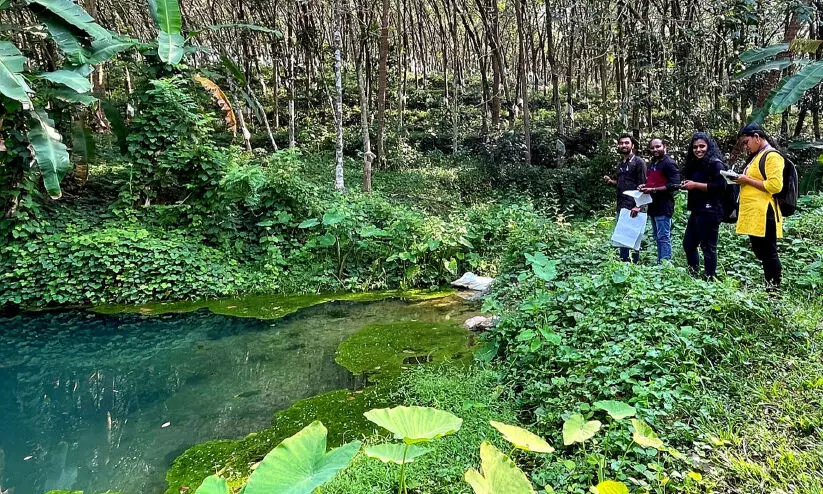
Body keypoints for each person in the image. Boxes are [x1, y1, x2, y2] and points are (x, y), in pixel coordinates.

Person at [733, 123, 784, 291]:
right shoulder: (757, 156)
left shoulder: (772, 156)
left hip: (765, 213)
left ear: (757, 137)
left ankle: (774, 292)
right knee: (761, 253)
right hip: (754, 213)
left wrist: (746, 180)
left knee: (769, 253)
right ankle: (769, 286)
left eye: (746, 142)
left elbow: (775, 186)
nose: (745, 147)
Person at [681, 132, 726, 280]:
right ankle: (693, 274)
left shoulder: (715, 163)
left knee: (708, 246)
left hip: (711, 210)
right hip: (697, 209)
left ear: (708, 146)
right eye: (695, 147)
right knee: (688, 243)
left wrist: (695, 185)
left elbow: (721, 185)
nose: (698, 149)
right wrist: (687, 184)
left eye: (702, 146)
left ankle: (709, 278)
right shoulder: (695, 164)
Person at [604, 134, 647, 263]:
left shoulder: (639, 163)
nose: (624, 145)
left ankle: (633, 267)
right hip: (621, 206)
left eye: (626, 143)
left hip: (633, 207)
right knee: (622, 238)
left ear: (632, 145)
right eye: (621, 143)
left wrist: (638, 206)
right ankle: (623, 265)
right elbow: (624, 184)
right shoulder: (621, 164)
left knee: (632, 239)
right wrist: (612, 182)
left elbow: (643, 185)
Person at [639, 138, 680, 263]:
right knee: (657, 236)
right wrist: (644, 186)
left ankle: (665, 264)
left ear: (664, 146)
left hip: (664, 205)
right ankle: (660, 261)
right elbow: (651, 181)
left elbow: (675, 184)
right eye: (652, 148)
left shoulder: (669, 163)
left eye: (658, 147)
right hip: (653, 205)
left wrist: (654, 189)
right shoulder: (652, 163)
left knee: (663, 237)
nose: (655, 150)